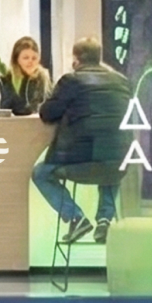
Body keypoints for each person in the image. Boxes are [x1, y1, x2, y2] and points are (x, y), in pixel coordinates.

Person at [31, 37, 133, 244]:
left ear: (76, 59)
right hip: (119, 163)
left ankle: (76, 217)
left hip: (77, 163)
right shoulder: (122, 82)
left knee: (40, 173)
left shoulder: (71, 81)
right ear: (99, 58)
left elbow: (47, 113)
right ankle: (104, 219)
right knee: (111, 157)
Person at [0, 36, 50, 116]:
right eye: (26, 58)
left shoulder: (42, 77)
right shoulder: (5, 79)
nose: (30, 61)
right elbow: (5, 108)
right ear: (16, 59)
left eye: (34, 58)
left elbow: (38, 106)